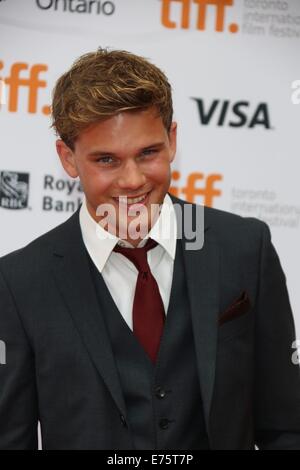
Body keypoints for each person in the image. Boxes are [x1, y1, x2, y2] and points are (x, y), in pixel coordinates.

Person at [0, 48, 299, 450]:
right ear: (68, 159)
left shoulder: (243, 247)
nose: (132, 179)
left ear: (172, 140)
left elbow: (286, 427)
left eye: (148, 153)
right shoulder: (20, 282)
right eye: (107, 159)